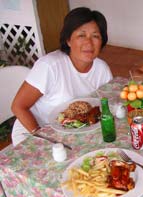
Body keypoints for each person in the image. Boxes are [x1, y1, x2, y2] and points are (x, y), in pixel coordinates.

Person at [11, 7, 112, 146]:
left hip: (74, 132)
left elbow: (106, 105)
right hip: (34, 131)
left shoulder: (102, 69)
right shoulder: (50, 66)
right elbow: (18, 106)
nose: (89, 43)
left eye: (95, 36)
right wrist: (43, 137)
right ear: (68, 40)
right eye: (81, 35)